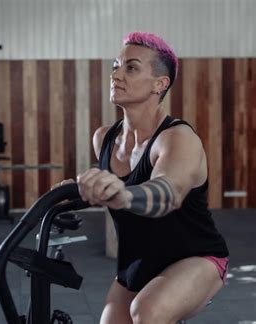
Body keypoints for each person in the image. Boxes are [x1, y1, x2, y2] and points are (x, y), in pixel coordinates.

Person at [64, 32, 229, 323]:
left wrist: (124, 194)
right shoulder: (104, 138)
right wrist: (78, 190)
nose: (116, 73)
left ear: (160, 84)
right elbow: (109, 188)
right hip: (138, 263)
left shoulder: (178, 139)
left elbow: (167, 194)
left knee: (146, 312)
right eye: (115, 65)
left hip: (195, 259)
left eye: (131, 67)